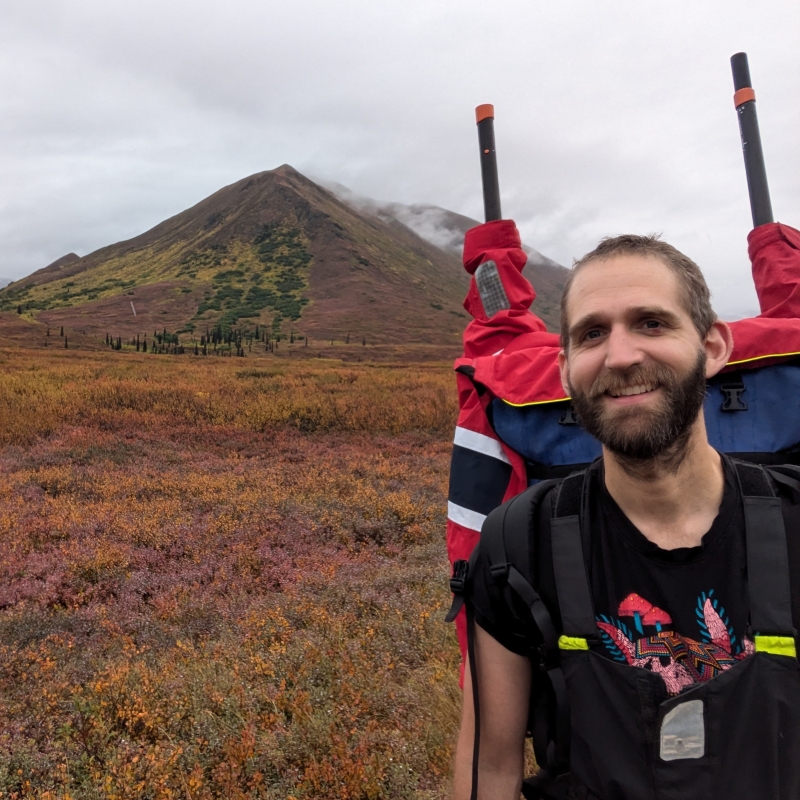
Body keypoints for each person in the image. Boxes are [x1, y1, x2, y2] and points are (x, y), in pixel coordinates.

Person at [451, 234, 800, 800]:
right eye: (593, 333)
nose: (620, 356)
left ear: (713, 347)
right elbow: (489, 771)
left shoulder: (793, 521)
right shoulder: (518, 544)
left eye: (652, 323)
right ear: (565, 371)